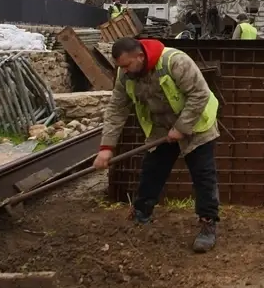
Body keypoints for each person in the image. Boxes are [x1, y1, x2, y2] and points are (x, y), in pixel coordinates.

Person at [93, 36, 221, 253]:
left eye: (126, 65)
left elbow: (199, 94)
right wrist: (106, 148)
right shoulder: (125, 75)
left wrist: (181, 127)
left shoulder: (175, 61)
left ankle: (208, 223)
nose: (123, 71)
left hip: (196, 125)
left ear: (140, 56)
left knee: (203, 176)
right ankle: (141, 213)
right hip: (161, 128)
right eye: (120, 67)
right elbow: (116, 110)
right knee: (152, 170)